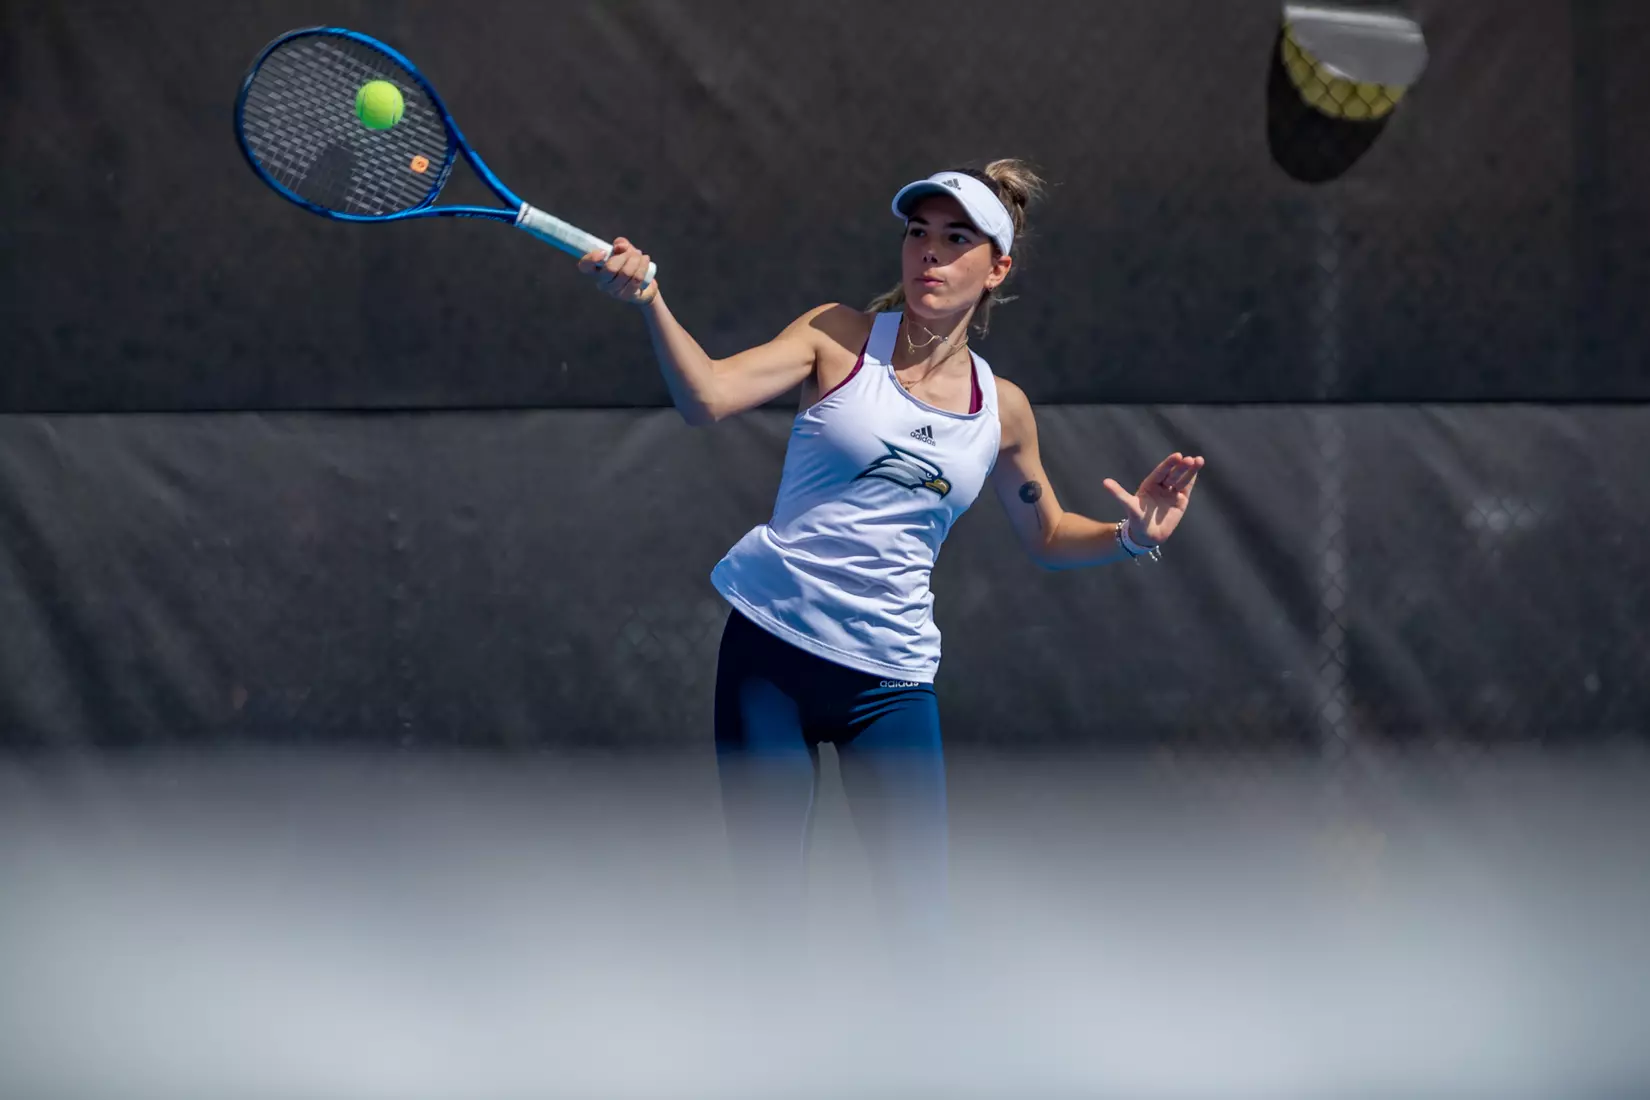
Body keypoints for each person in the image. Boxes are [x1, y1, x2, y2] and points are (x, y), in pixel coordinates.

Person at [578, 160, 1205, 961]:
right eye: (918, 234)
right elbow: (705, 396)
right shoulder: (836, 337)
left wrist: (1131, 536)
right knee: (769, 917)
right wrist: (651, 301)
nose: (929, 256)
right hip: (771, 659)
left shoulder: (1002, 409)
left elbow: (1046, 534)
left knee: (921, 932)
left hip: (891, 686)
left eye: (955, 240)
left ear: (996, 268)